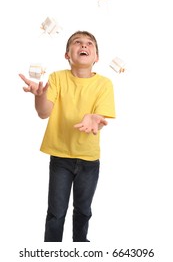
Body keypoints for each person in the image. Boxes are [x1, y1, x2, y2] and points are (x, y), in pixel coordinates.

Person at [19, 31, 116, 242]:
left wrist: (94, 120)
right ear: (67, 54)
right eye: (77, 43)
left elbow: (99, 120)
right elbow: (44, 112)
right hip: (60, 158)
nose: (84, 46)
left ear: (96, 57)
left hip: (89, 159)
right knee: (56, 213)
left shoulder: (104, 84)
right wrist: (40, 96)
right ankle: (51, 250)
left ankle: (80, 246)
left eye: (90, 43)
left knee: (83, 211)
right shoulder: (56, 78)